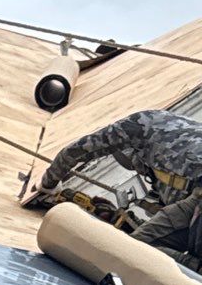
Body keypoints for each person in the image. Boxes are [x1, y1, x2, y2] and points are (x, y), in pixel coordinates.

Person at [38, 108, 202, 270]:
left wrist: (48, 184)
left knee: (132, 252)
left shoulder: (135, 127)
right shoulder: (174, 135)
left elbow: (76, 151)